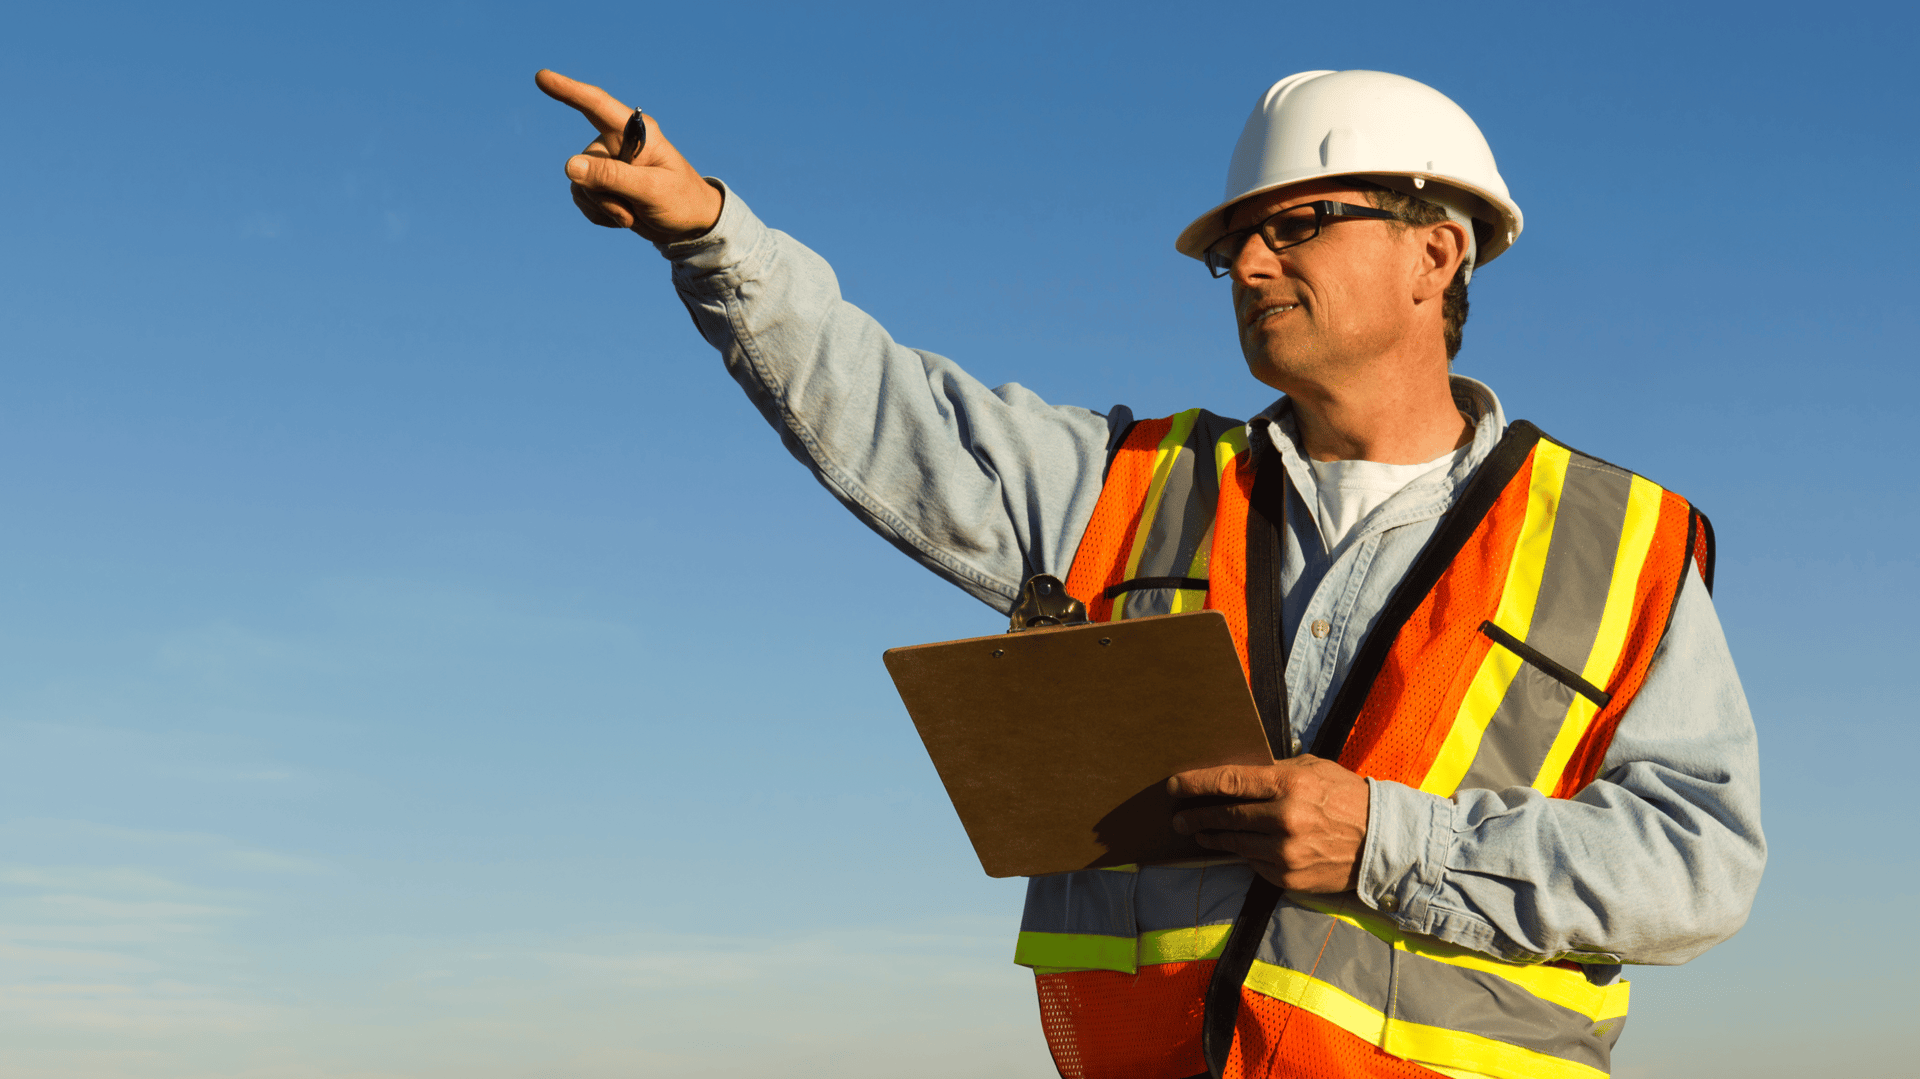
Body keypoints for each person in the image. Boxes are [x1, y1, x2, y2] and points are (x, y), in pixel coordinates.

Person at [535, 67, 1764, 1079]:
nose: (1250, 264)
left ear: (1435, 253)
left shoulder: (1620, 541)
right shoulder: (1129, 485)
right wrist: (710, 232)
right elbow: (887, 409)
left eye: (1296, 225)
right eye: (1235, 244)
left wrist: (1388, 838)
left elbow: (1699, 863)